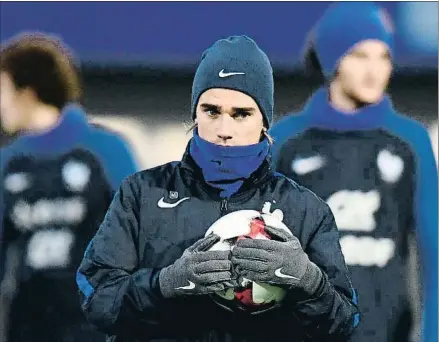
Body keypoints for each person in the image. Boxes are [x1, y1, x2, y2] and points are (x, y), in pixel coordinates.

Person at [76, 35, 359, 342]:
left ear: (264, 121)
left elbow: (343, 324)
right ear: (194, 114)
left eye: (241, 114)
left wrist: (310, 281)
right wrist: (165, 284)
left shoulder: (304, 210)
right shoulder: (142, 194)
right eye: (212, 111)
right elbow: (97, 300)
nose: (224, 130)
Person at [270, 3, 438, 342]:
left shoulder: (410, 141)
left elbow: (433, 250)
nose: (374, 70)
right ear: (334, 61)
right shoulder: (287, 142)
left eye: (384, 57)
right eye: (360, 56)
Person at [0, 32, 139, 342]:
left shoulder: (105, 151)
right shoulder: (8, 163)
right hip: (29, 326)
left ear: (27, 91)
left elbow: (142, 234)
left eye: (3, 89)